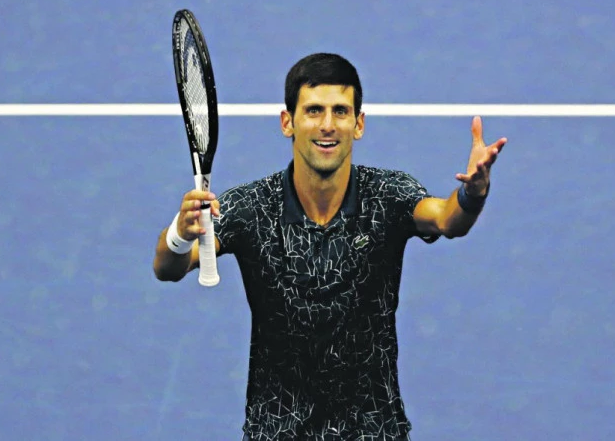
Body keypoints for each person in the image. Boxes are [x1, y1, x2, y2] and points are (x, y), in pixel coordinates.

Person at [153, 53, 507, 440]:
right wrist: (180, 234)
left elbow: (447, 219)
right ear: (287, 122)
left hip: (374, 430)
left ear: (359, 124)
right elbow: (168, 268)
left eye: (340, 111)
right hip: (278, 431)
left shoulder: (388, 195)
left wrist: (472, 193)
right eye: (314, 111)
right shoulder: (252, 207)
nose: (327, 125)